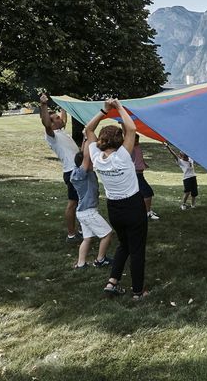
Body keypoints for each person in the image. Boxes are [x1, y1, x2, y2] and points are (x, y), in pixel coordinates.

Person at [86, 99, 149, 300]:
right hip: (132, 206)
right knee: (137, 249)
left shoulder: (96, 157)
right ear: (119, 141)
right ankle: (138, 292)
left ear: (102, 141)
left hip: (114, 208)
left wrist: (105, 110)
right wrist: (119, 107)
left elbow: (88, 130)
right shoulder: (122, 156)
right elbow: (131, 129)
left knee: (124, 245)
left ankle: (112, 282)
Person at [39, 94, 80, 242]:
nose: (60, 119)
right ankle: (71, 234)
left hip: (77, 170)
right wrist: (44, 105)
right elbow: (45, 123)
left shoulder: (61, 131)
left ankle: (81, 229)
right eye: (56, 118)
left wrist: (64, 105)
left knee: (81, 202)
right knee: (73, 203)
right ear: (51, 123)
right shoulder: (51, 135)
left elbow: (65, 118)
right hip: (72, 172)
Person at [70, 137, 113, 269]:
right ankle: (100, 259)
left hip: (84, 212)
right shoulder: (79, 175)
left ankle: (81, 263)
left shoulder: (83, 172)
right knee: (107, 234)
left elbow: (84, 155)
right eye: (90, 162)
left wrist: (85, 138)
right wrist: (89, 134)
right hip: (88, 212)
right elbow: (86, 158)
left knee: (87, 239)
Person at [132, 134, 159, 220]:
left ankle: (145, 211)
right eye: (135, 140)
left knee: (141, 194)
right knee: (148, 193)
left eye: (137, 140)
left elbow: (139, 157)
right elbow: (127, 134)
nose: (137, 142)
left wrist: (143, 163)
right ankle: (147, 213)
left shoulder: (137, 146)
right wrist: (122, 123)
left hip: (140, 174)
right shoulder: (130, 148)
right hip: (136, 175)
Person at [166, 144, 198, 210]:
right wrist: (168, 147)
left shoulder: (190, 159)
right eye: (183, 154)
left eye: (186, 154)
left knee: (194, 192)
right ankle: (183, 204)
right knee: (187, 192)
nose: (185, 156)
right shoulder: (180, 162)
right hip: (186, 178)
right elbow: (174, 154)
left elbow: (194, 151)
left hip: (193, 177)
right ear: (181, 156)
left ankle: (193, 205)